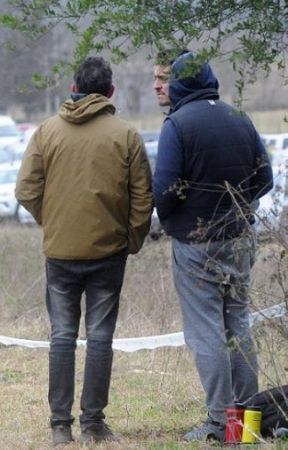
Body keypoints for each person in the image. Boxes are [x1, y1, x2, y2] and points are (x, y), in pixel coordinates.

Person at [16, 56, 153, 445]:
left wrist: (55, 221)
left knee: (61, 336)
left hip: (60, 253)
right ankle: (93, 423)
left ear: (74, 88)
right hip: (109, 253)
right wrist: (133, 238)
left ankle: (60, 426)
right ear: (111, 91)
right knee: (100, 337)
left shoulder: (46, 132)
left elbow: (26, 190)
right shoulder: (126, 135)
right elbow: (143, 198)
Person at [153, 51, 273, 442]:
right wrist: (240, 208)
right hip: (240, 239)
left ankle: (220, 423)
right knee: (238, 325)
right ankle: (247, 425)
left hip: (196, 245)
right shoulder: (239, 116)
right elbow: (266, 178)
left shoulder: (177, 124)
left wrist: (172, 219)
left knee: (206, 332)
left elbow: (165, 190)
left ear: (177, 85)